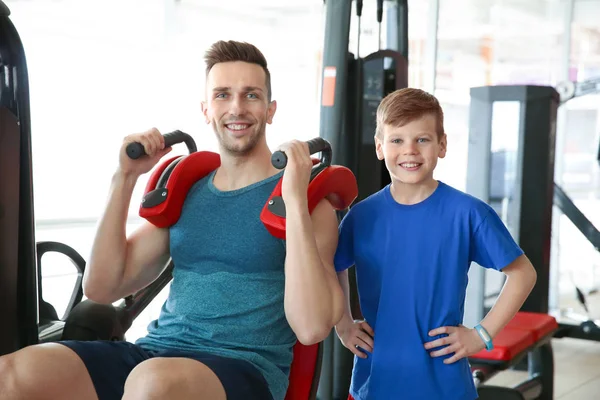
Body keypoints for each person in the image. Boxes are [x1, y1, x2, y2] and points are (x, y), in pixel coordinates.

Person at [0, 40, 345, 400]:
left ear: (270, 110)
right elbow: (101, 288)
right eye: (223, 95)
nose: (237, 108)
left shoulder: (305, 202)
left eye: (251, 96)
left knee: (151, 383)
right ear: (206, 109)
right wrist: (124, 178)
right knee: (11, 374)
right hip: (155, 354)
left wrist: (294, 200)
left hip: (242, 369)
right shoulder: (189, 191)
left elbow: (311, 327)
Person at [333, 88, 538, 400]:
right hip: (375, 381)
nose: (410, 150)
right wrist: (343, 324)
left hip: (444, 384)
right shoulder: (361, 217)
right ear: (379, 147)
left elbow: (524, 273)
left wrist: (481, 334)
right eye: (397, 140)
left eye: (422, 139)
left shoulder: (468, 213)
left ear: (442, 145)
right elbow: (333, 268)